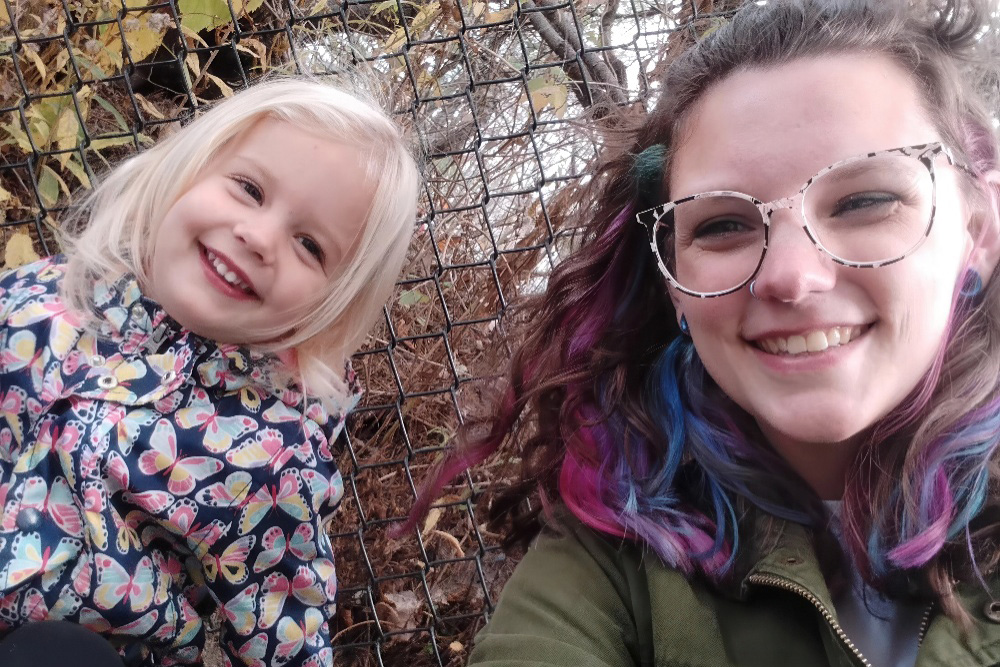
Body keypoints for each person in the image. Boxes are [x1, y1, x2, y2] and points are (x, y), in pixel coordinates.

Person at [409, 0, 1000, 665]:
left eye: (865, 200)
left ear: (978, 230)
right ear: (674, 282)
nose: (791, 277)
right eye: (722, 224)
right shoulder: (621, 538)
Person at [0, 76, 420, 666]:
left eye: (309, 245)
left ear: (333, 305)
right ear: (190, 166)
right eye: (248, 189)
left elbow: (284, 634)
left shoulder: (272, 456)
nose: (258, 236)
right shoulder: (43, 298)